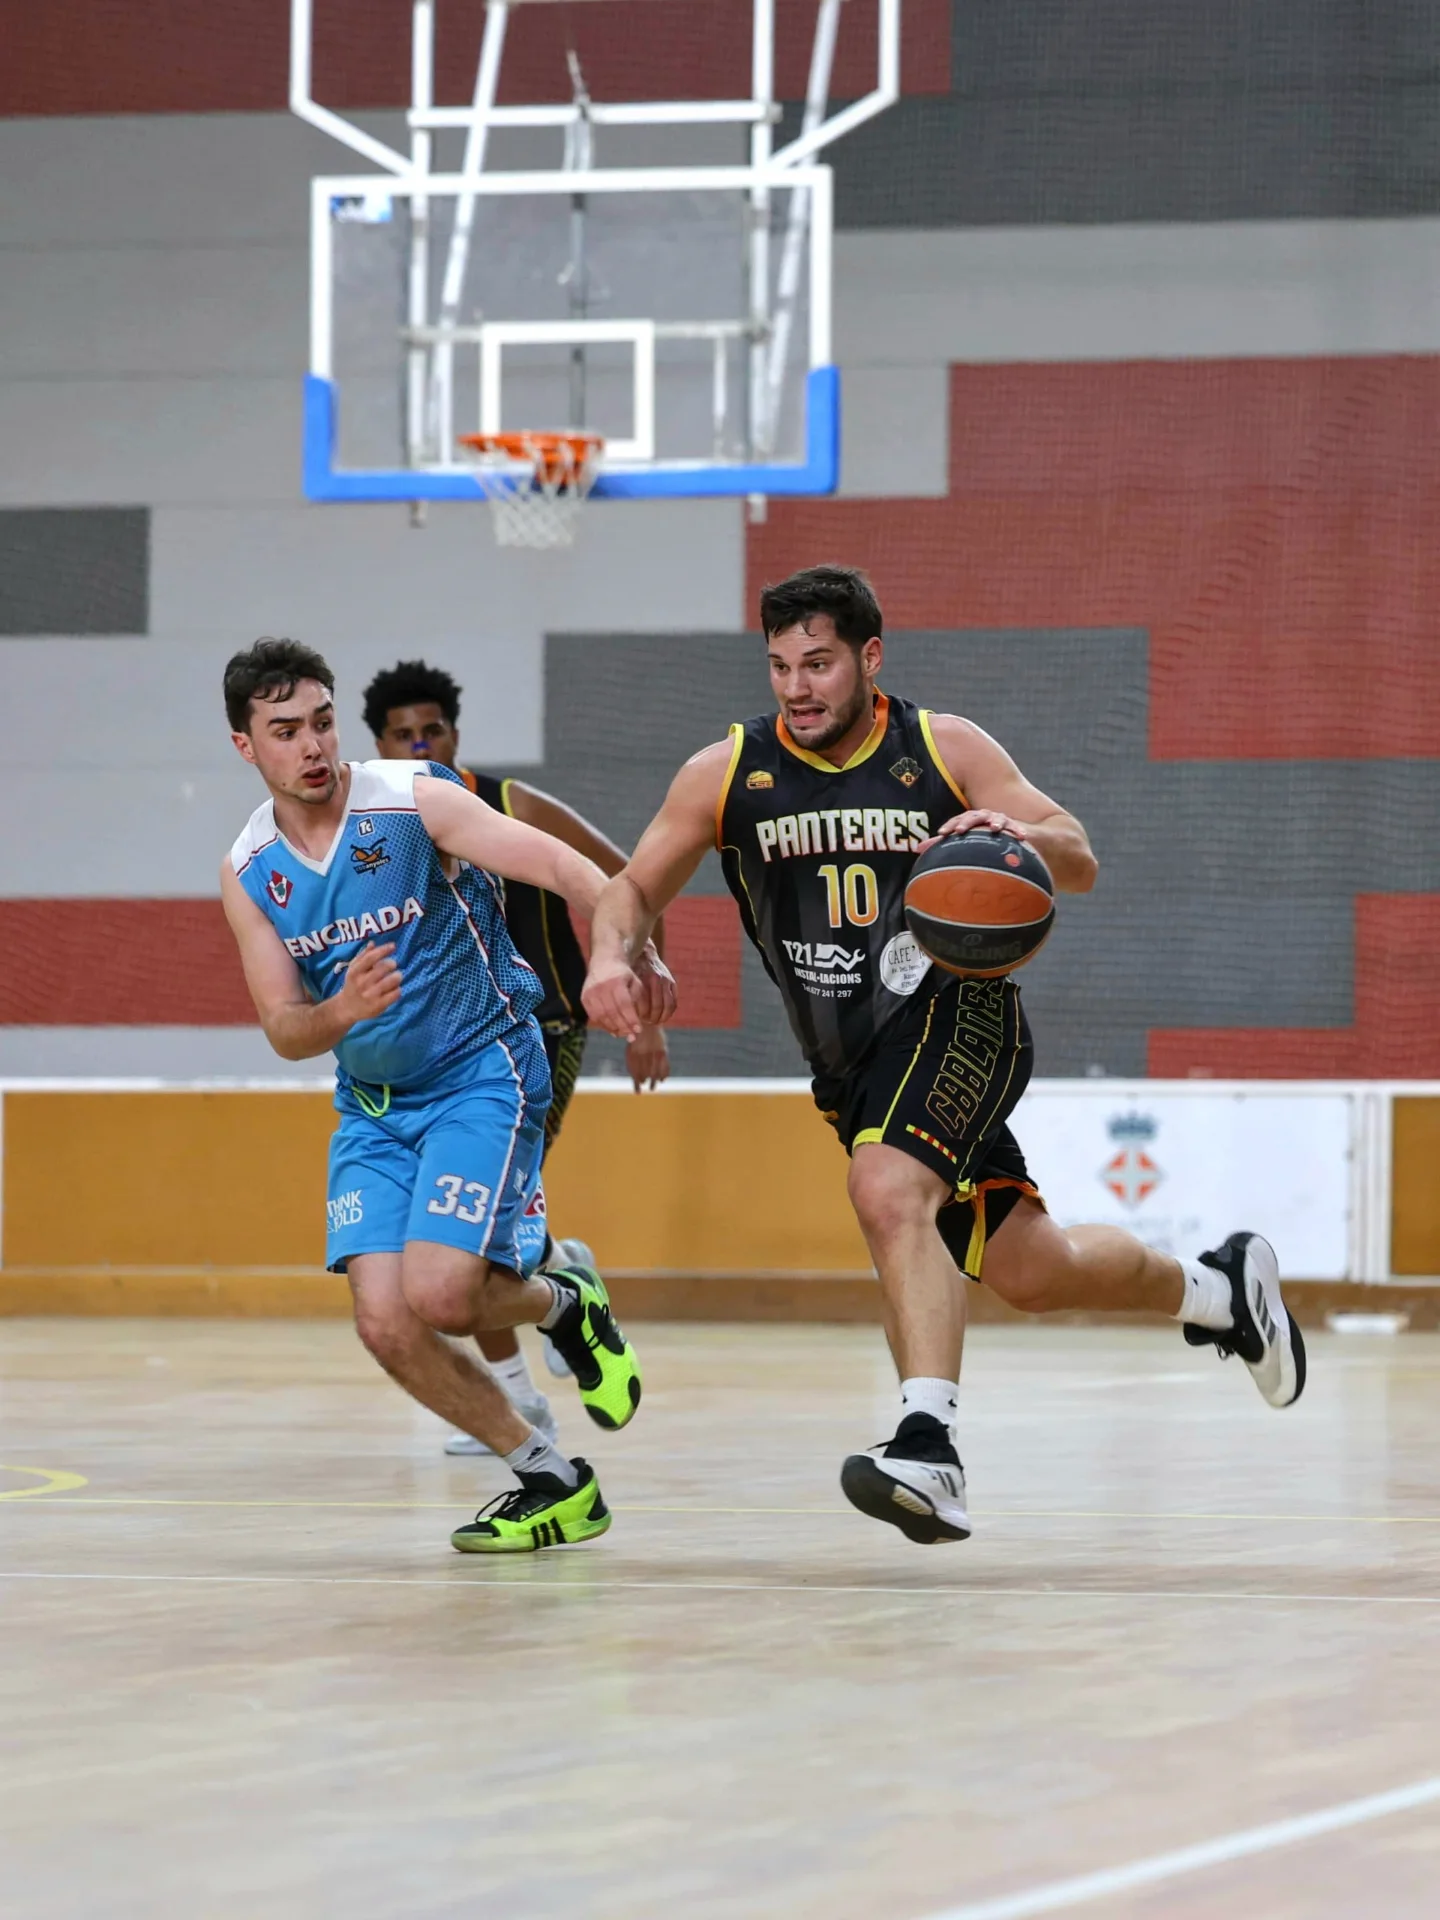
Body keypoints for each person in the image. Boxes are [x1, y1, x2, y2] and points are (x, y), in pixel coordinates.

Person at [582, 564, 1306, 1547]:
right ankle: (1224, 1293)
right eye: (781, 666)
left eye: (819, 664)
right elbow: (630, 889)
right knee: (1034, 1271)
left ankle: (929, 1447)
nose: (798, 687)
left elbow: (1079, 855)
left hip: (961, 1017)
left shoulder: (941, 748)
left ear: (870, 658)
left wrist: (1020, 832)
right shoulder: (726, 773)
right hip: (850, 1067)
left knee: (886, 1190)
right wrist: (610, 959)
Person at [219, 637, 672, 1553]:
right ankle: (553, 1480)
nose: (312, 745)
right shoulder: (250, 869)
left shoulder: (411, 800)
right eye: (286, 731)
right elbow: (284, 1028)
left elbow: (572, 870)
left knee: (444, 1296)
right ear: (246, 745)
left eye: (321, 723)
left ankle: (564, 1301)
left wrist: (620, 955)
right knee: (386, 1324)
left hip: (482, 1071)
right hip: (374, 1109)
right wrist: (341, 1010)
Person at [361, 658, 669, 1455]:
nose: (420, 744)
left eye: (432, 730)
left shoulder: (507, 805)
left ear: (455, 735)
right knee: (463, 1227)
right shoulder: (370, 835)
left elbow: (624, 882)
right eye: (403, 735)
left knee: (472, 1231)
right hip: (437, 1056)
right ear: (379, 747)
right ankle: (558, 1284)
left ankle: (536, 1358)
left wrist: (644, 997)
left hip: (541, 1031)